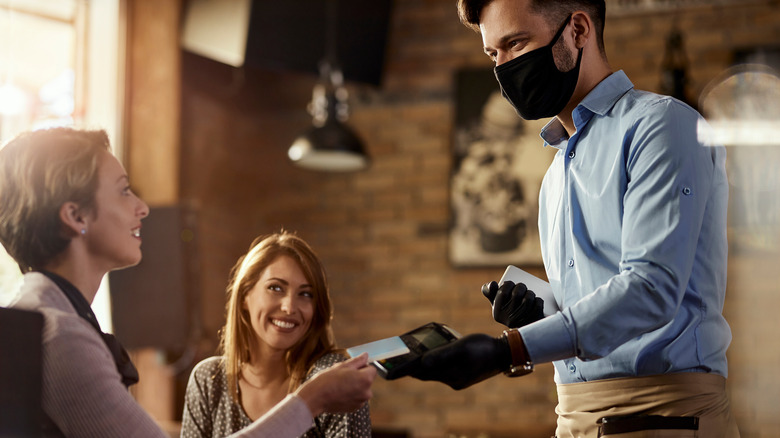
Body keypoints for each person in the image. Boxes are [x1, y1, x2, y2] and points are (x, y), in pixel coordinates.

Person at [410, 1, 739, 437]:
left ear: (578, 30)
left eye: (516, 43)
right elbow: (601, 307)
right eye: (494, 55)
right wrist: (539, 315)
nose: (504, 68)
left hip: (664, 416)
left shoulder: (661, 126)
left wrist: (508, 350)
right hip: (573, 418)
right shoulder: (555, 173)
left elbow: (651, 289)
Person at [0, 127, 376, 438]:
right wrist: (311, 401)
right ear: (75, 215)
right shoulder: (61, 336)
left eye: (305, 294)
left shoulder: (46, 320)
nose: (142, 207)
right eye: (123, 189)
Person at [181, 231, 372, 438]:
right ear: (246, 295)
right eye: (275, 288)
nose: (289, 307)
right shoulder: (209, 380)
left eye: (306, 294)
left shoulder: (330, 378)